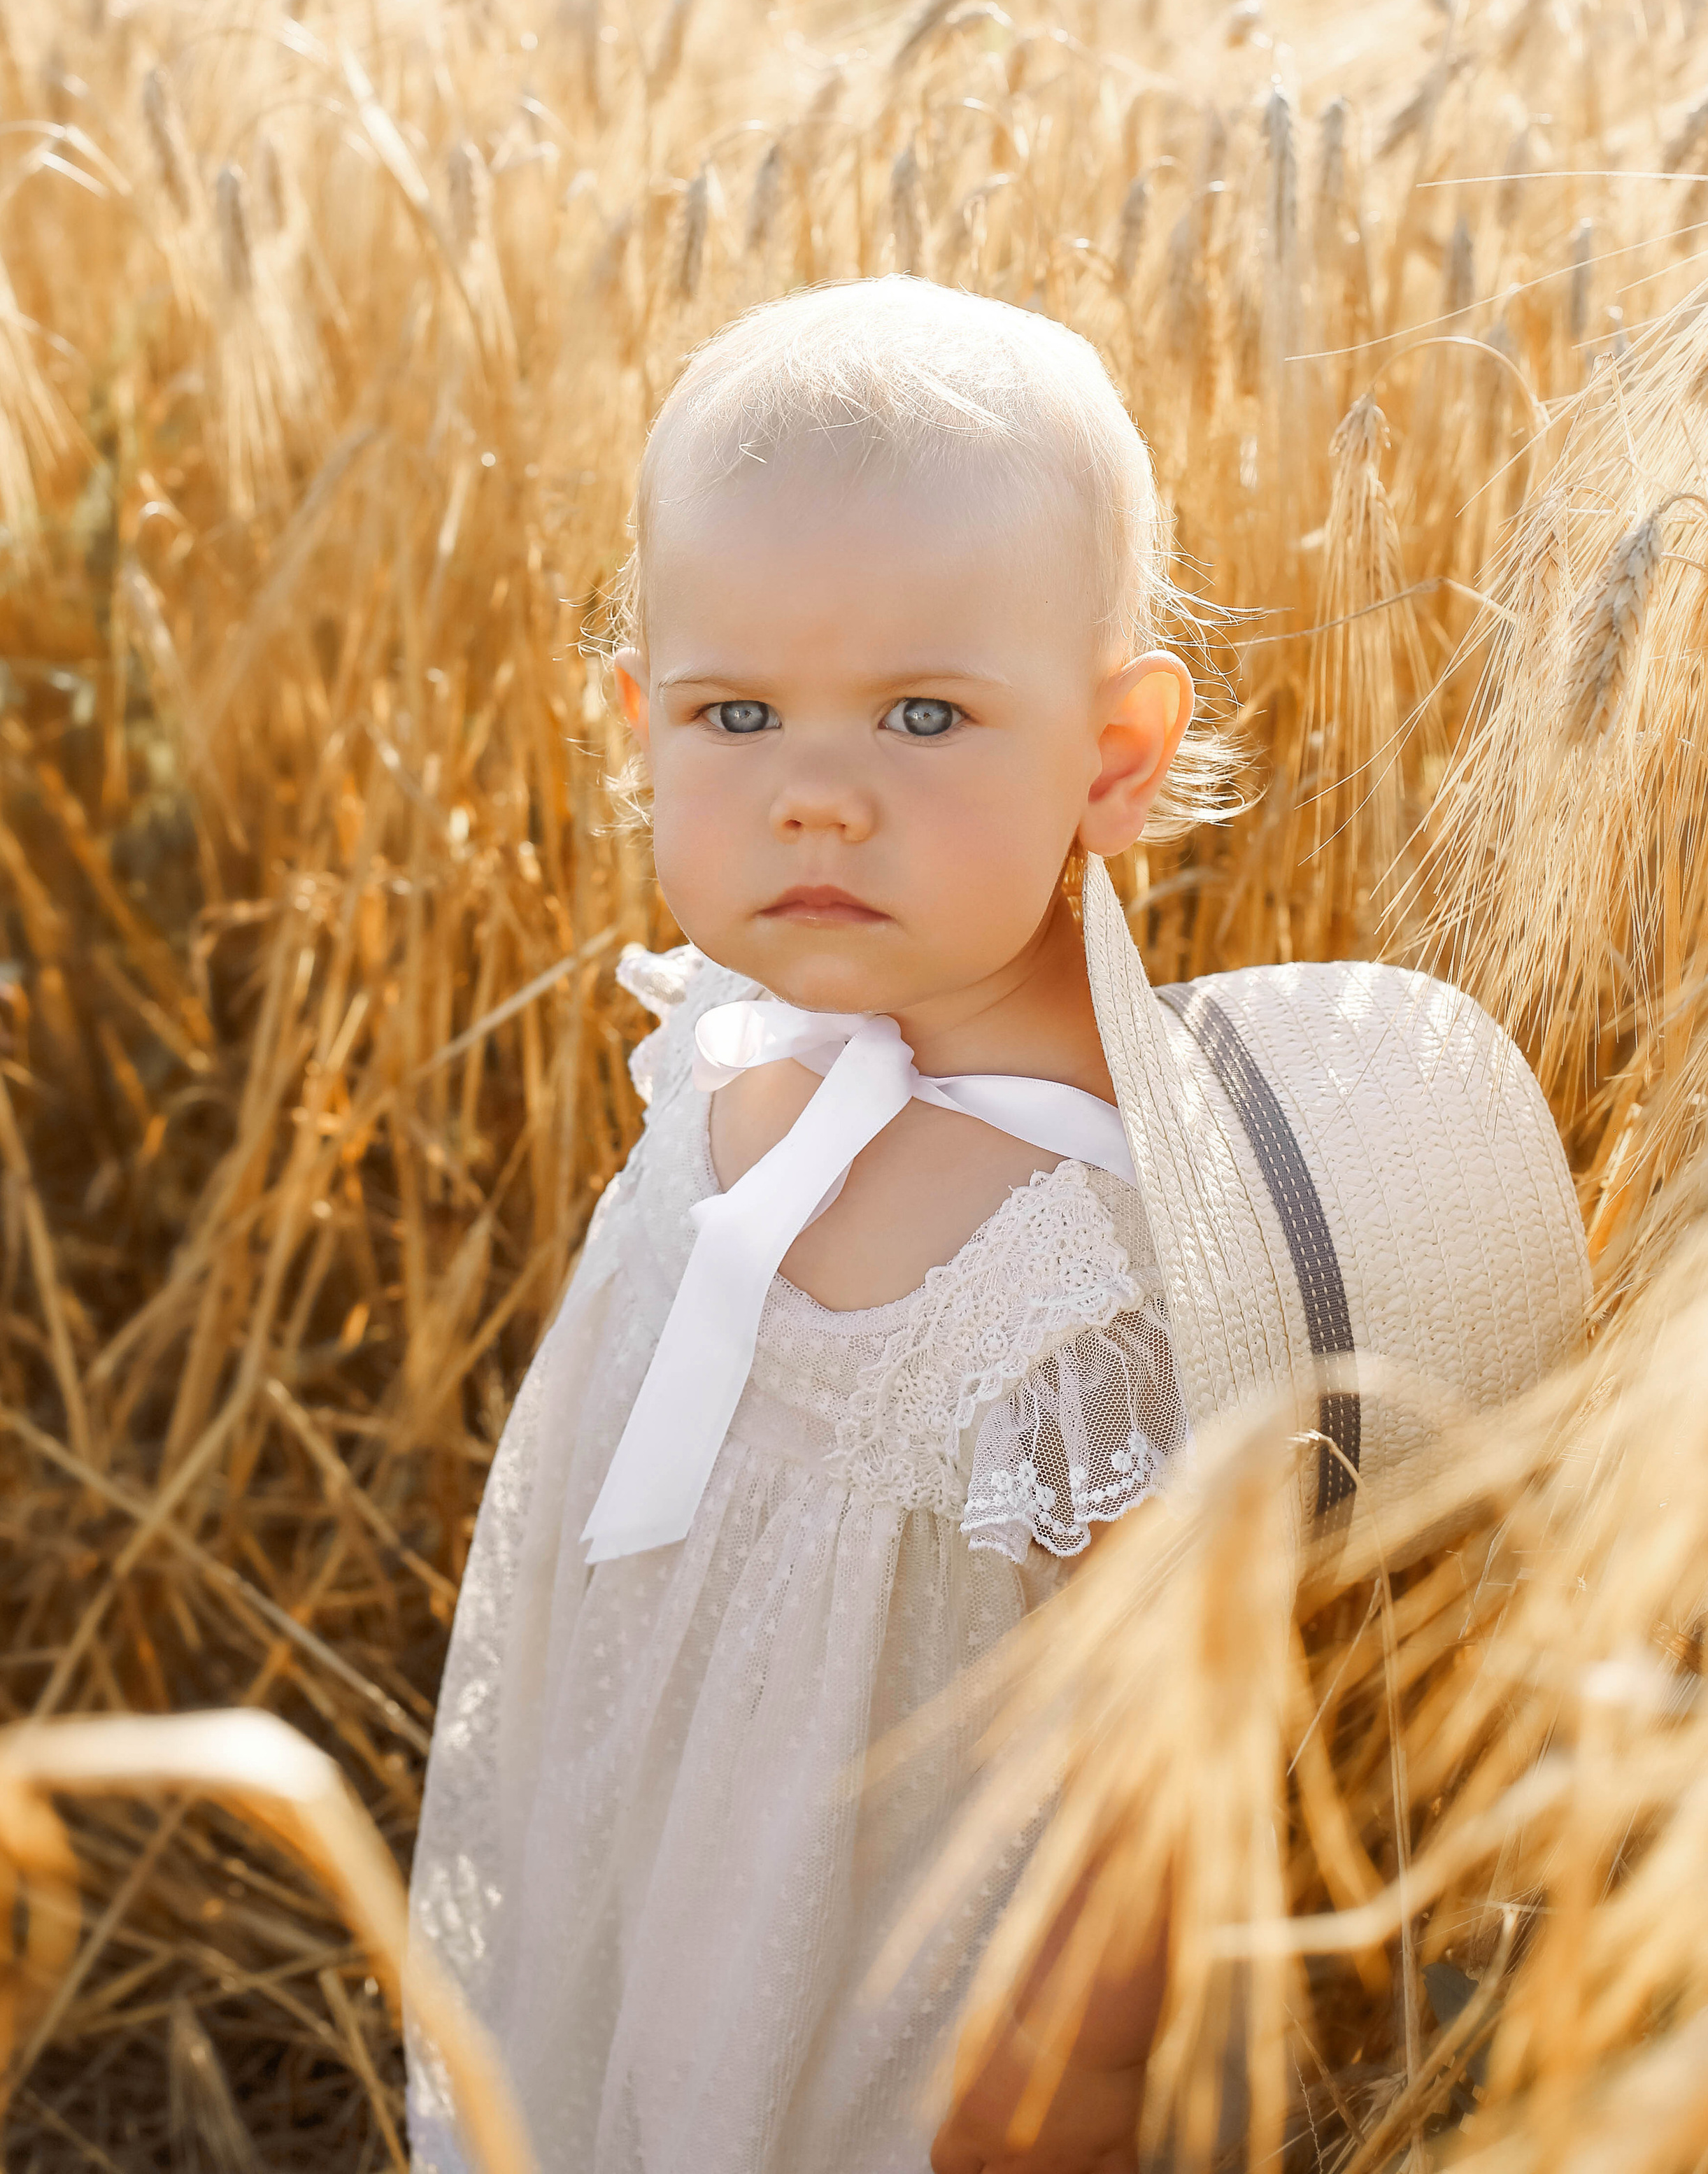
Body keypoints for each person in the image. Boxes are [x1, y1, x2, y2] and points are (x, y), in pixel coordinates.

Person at [408, 274, 1203, 2174]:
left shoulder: (1091, 1263)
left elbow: (1149, 1760)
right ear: (637, 724)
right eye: (735, 714)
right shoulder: (726, 1038)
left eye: (924, 714)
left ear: (1112, 755)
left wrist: (1079, 2080)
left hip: (900, 2001)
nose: (817, 800)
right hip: (650, 1840)